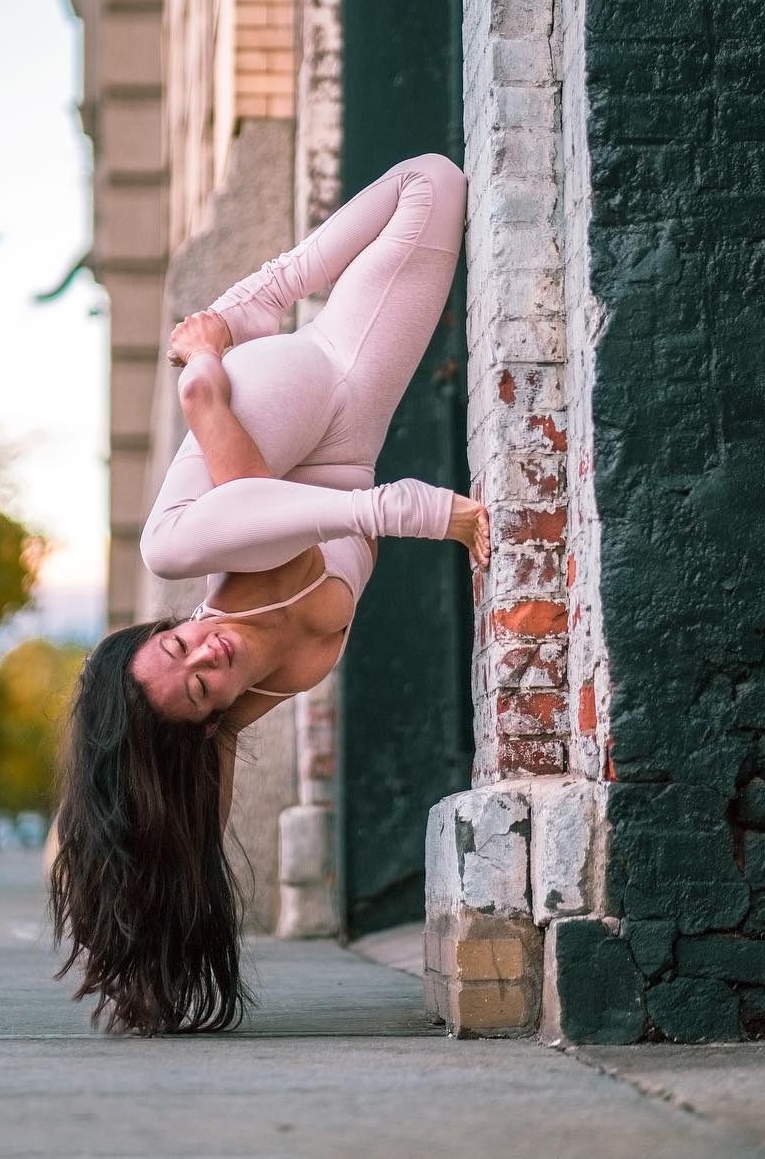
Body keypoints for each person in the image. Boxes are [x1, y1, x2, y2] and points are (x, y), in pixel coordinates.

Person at [50, 153, 491, 1036]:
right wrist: (151, 938)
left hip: (276, 402)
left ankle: (236, 324)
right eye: (202, 684)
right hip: (339, 448)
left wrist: (417, 513)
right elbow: (186, 838)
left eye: (177, 643)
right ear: (211, 719)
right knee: (436, 189)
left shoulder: (221, 593)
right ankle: (238, 338)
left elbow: (248, 521)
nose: (206, 652)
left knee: (175, 544)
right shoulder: (232, 715)